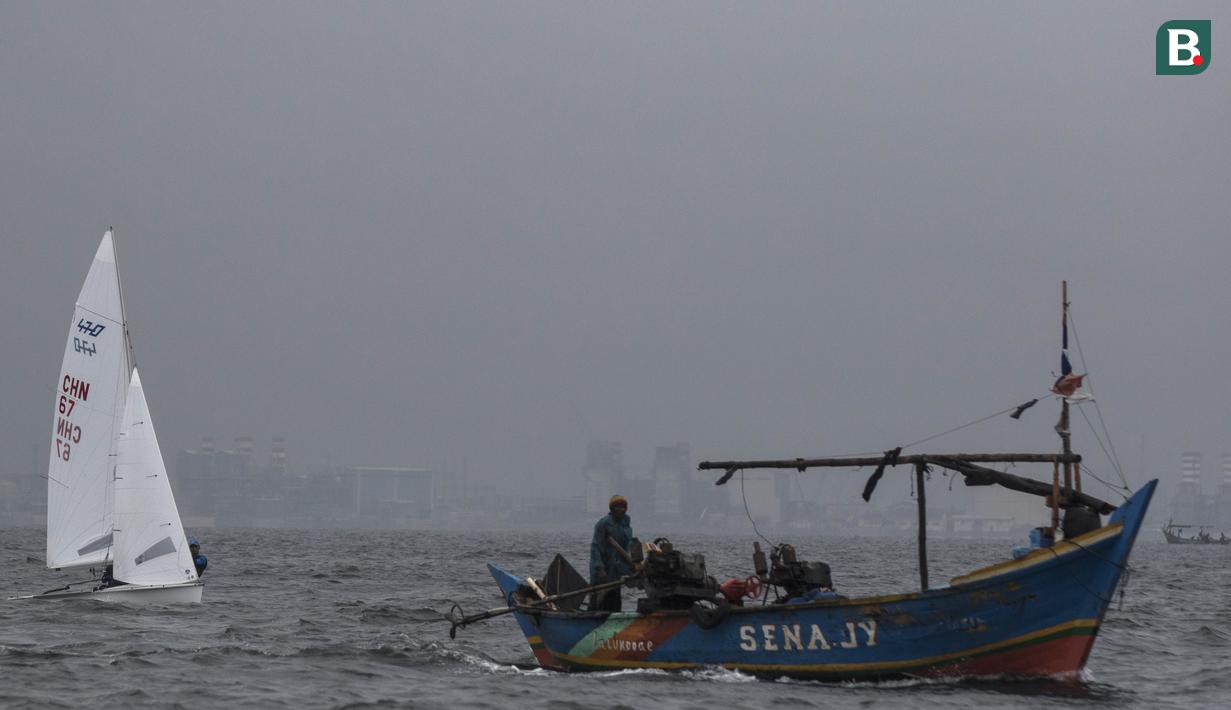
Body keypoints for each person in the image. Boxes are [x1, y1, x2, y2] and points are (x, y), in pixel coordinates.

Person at [589, 495, 633, 611]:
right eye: (618, 507)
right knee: (598, 599)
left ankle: (614, 616)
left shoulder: (626, 525)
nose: (621, 509)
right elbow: (595, 547)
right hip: (603, 567)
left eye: (623, 507)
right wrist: (599, 567)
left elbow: (626, 548)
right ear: (612, 509)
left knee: (614, 598)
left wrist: (630, 568)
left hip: (616, 569)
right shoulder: (603, 523)